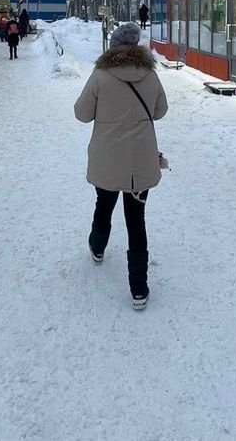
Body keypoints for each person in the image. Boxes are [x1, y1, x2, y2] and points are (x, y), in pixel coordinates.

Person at [73, 22, 167, 310]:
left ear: (113, 47)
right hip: (140, 157)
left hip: (108, 156)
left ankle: (98, 246)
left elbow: (82, 114)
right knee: (136, 218)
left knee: (104, 202)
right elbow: (160, 111)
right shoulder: (150, 74)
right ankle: (139, 288)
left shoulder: (101, 74)